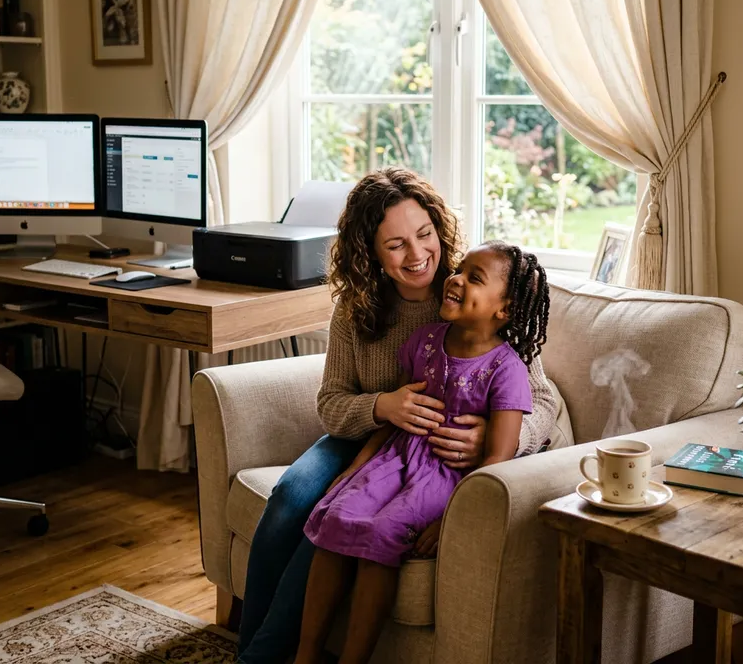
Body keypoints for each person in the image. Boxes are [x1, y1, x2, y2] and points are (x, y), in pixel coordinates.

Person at [237, 168, 557, 663]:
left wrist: (496, 437)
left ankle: (271, 655)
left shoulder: (471, 297)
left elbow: (543, 399)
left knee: (321, 530)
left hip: (435, 450)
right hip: (370, 433)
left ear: (439, 228)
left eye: (424, 234)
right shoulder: (356, 308)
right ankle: (251, 650)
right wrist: (381, 405)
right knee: (290, 498)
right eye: (396, 245)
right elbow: (332, 404)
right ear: (370, 254)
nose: (417, 254)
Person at [295, 241, 549, 664]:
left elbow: (497, 462)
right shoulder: (425, 340)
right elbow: (398, 414)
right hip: (394, 455)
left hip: (446, 475)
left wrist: (453, 517)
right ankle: (305, 655)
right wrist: (355, 469)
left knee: (380, 536)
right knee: (335, 516)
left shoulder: (509, 370)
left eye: (474, 277)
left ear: (502, 310)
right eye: (461, 269)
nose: (456, 279)